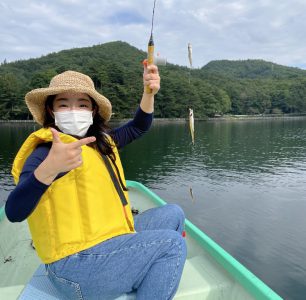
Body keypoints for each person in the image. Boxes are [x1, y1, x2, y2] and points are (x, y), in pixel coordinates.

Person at [5, 62, 187, 300]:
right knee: (172, 244)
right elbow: (14, 211)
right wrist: (48, 170)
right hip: (74, 270)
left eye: (82, 104)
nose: (73, 110)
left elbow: (139, 126)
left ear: (92, 111)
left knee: (174, 213)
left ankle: (139, 274)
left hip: (105, 242)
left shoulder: (99, 141)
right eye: (63, 104)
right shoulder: (45, 152)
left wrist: (148, 92)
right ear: (51, 111)